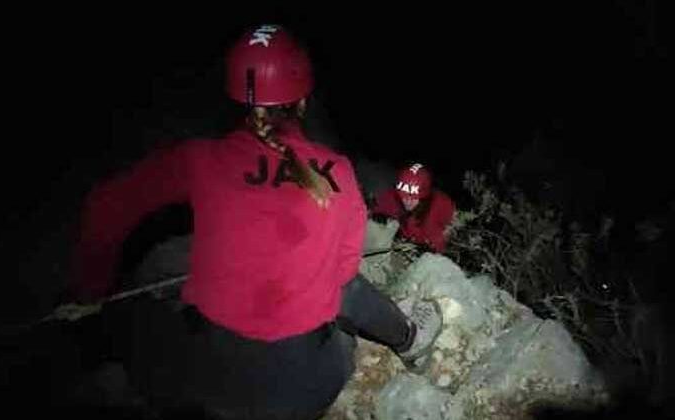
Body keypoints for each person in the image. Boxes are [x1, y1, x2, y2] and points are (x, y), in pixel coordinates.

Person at [67, 25, 442, 419]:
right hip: (305, 388)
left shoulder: (198, 160)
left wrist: (90, 288)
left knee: (157, 311)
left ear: (232, 98)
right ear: (302, 101)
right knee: (341, 290)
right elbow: (344, 276)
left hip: (208, 384)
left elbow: (105, 206)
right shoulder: (339, 173)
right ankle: (411, 340)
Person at [371, 163, 456, 253]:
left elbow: (445, 241)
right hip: (402, 243)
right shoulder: (395, 196)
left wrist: (431, 247)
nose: (407, 201)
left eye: (413, 197)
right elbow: (376, 207)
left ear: (424, 196)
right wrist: (379, 214)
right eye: (404, 196)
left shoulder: (439, 207)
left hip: (421, 250)